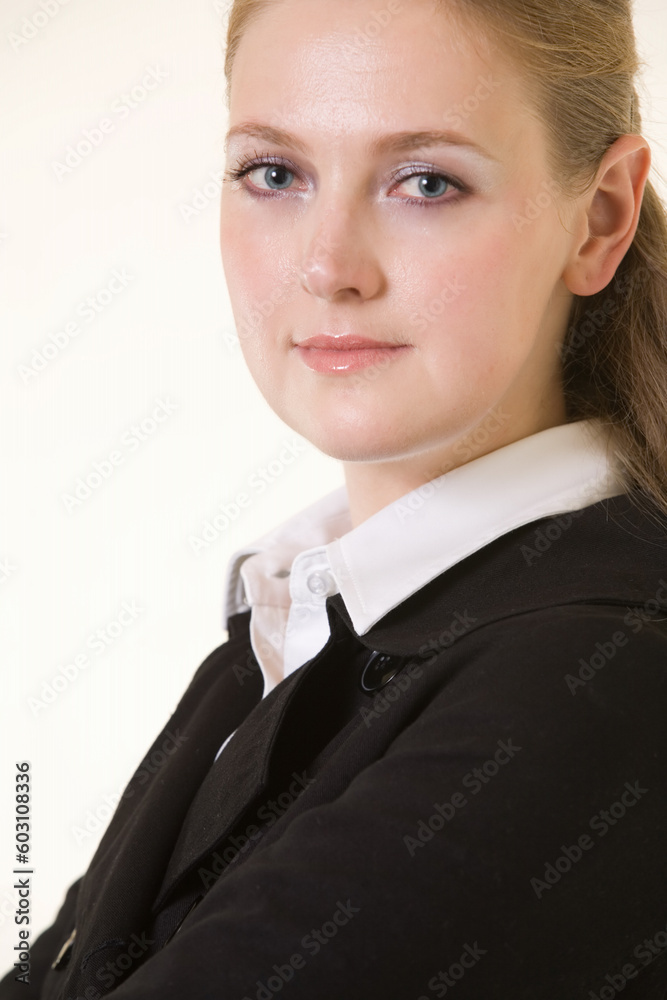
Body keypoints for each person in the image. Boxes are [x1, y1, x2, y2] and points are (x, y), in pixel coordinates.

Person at [3, 0, 667, 996]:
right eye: (275, 174)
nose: (326, 267)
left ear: (600, 216)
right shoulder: (292, 625)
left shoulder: (595, 679)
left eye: (426, 182)